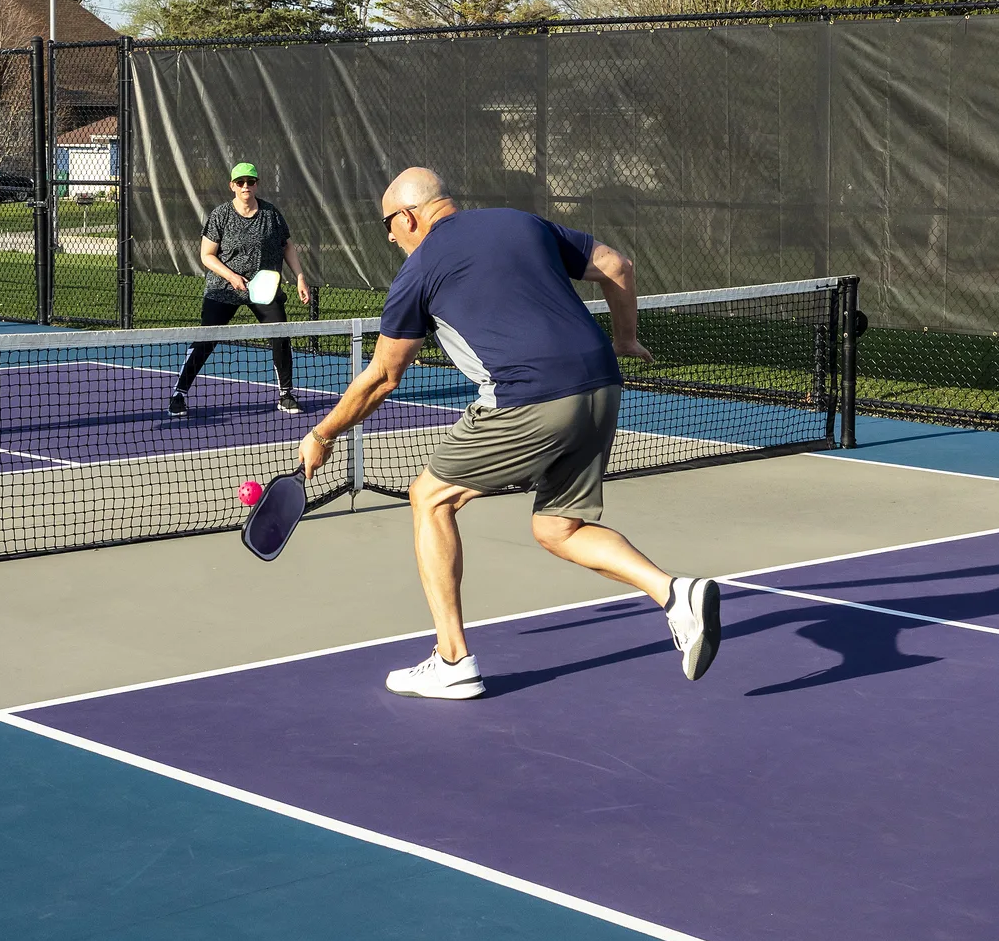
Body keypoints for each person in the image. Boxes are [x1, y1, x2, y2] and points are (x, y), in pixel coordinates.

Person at [298, 166, 720, 700]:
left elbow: (383, 376)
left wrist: (324, 433)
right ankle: (675, 594)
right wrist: (626, 339)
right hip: (600, 386)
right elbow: (618, 265)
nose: (387, 236)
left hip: (529, 396)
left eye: (388, 224)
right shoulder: (523, 223)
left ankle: (452, 659)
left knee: (429, 498)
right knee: (558, 528)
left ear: (407, 216)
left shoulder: (420, 267)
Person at [169, 161, 312, 417]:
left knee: (281, 337)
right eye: (240, 182)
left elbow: (287, 246)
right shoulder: (220, 215)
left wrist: (300, 277)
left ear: (257, 184)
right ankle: (179, 394)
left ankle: (285, 394)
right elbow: (207, 255)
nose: (246, 186)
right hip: (224, 289)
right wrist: (231, 276)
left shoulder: (271, 214)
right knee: (206, 340)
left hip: (264, 290)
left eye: (251, 181)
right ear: (232, 186)